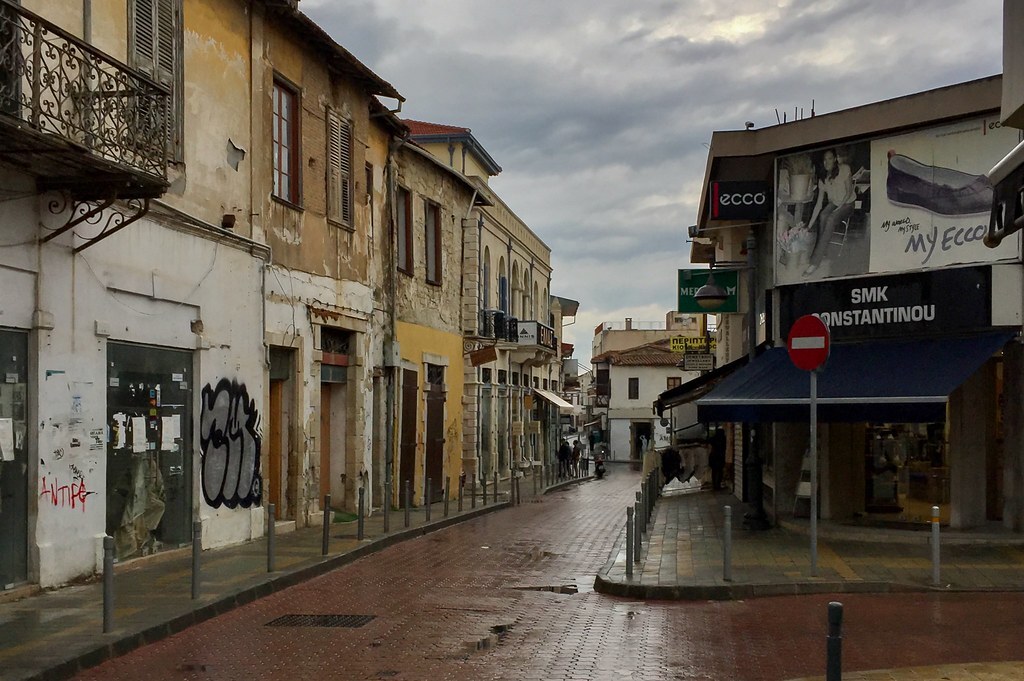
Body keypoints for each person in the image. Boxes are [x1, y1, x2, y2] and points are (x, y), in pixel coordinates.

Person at [803, 148, 856, 276]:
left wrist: (839, 209)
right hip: (835, 203)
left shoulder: (845, 169)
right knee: (823, 215)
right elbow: (818, 205)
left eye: (830, 158)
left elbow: (849, 192)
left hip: (848, 203)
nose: (827, 162)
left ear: (835, 159)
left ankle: (815, 262)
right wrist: (809, 226)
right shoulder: (823, 179)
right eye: (824, 159)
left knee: (831, 218)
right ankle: (822, 250)